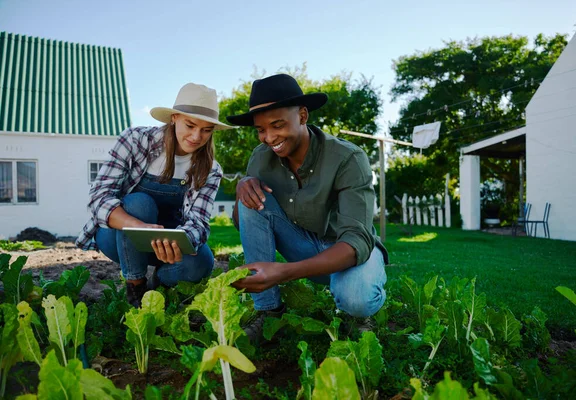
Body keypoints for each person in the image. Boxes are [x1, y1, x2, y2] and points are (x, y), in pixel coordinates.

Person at [227, 74, 388, 340]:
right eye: (260, 129)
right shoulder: (260, 158)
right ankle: (269, 312)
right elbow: (243, 219)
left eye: (277, 125)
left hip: (347, 251)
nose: (268, 137)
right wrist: (242, 189)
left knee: (358, 298)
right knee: (250, 200)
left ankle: (357, 317)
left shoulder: (348, 158)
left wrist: (283, 272)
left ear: (302, 116)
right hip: (302, 245)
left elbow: (357, 240)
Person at [76, 83, 235, 307]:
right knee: (139, 203)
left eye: (207, 130)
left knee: (203, 262)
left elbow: (199, 222)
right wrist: (137, 226)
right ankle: (136, 285)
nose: (197, 136)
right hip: (118, 238)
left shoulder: (210, 169)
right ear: (174, 118)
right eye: (190, 125)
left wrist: (179, 242)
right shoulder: (135, 141)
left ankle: (157, 285)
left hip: (167, 247)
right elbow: (98, 197)